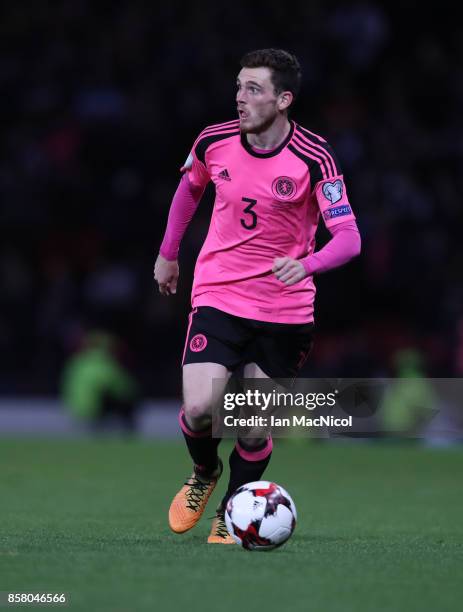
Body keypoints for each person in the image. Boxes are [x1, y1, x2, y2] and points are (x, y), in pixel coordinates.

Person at [154, 49, 361, 544]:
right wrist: (168, 253)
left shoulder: (315, 157)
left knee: (249, 427)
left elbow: (351, 238)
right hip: (219, 293)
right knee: (202, 407)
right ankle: (205, 473)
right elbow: (189, 190)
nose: (240, 99)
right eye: (238, 87)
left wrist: (307, 264)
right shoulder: (214, 140)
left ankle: (233, 511)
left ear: (283, 99)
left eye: (253, 90)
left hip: (284, 310)